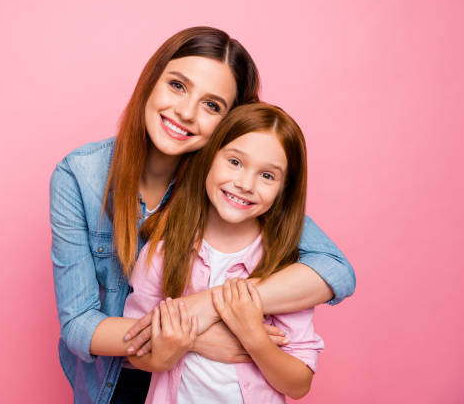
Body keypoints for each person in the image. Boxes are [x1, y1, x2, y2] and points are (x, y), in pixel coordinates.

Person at [50, 26, 355, 404]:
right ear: (151, 80)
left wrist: (209, 305)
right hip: (118, 380)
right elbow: (78, 325)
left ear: (230, 122)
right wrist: (194, 337)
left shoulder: (226, 185)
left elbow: (336, 270)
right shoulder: (80, 175)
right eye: (177, 85)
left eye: (212, 105)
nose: (186, 112)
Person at [123, 102, 324, 403]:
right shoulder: (163, 251)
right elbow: (135, 350)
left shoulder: (286, 269)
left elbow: (298, 385)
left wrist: (253, 336)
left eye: (267, 176)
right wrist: (186, 342)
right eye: (235, 162)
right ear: (209, 158)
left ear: (285, 189)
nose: (244, 184)